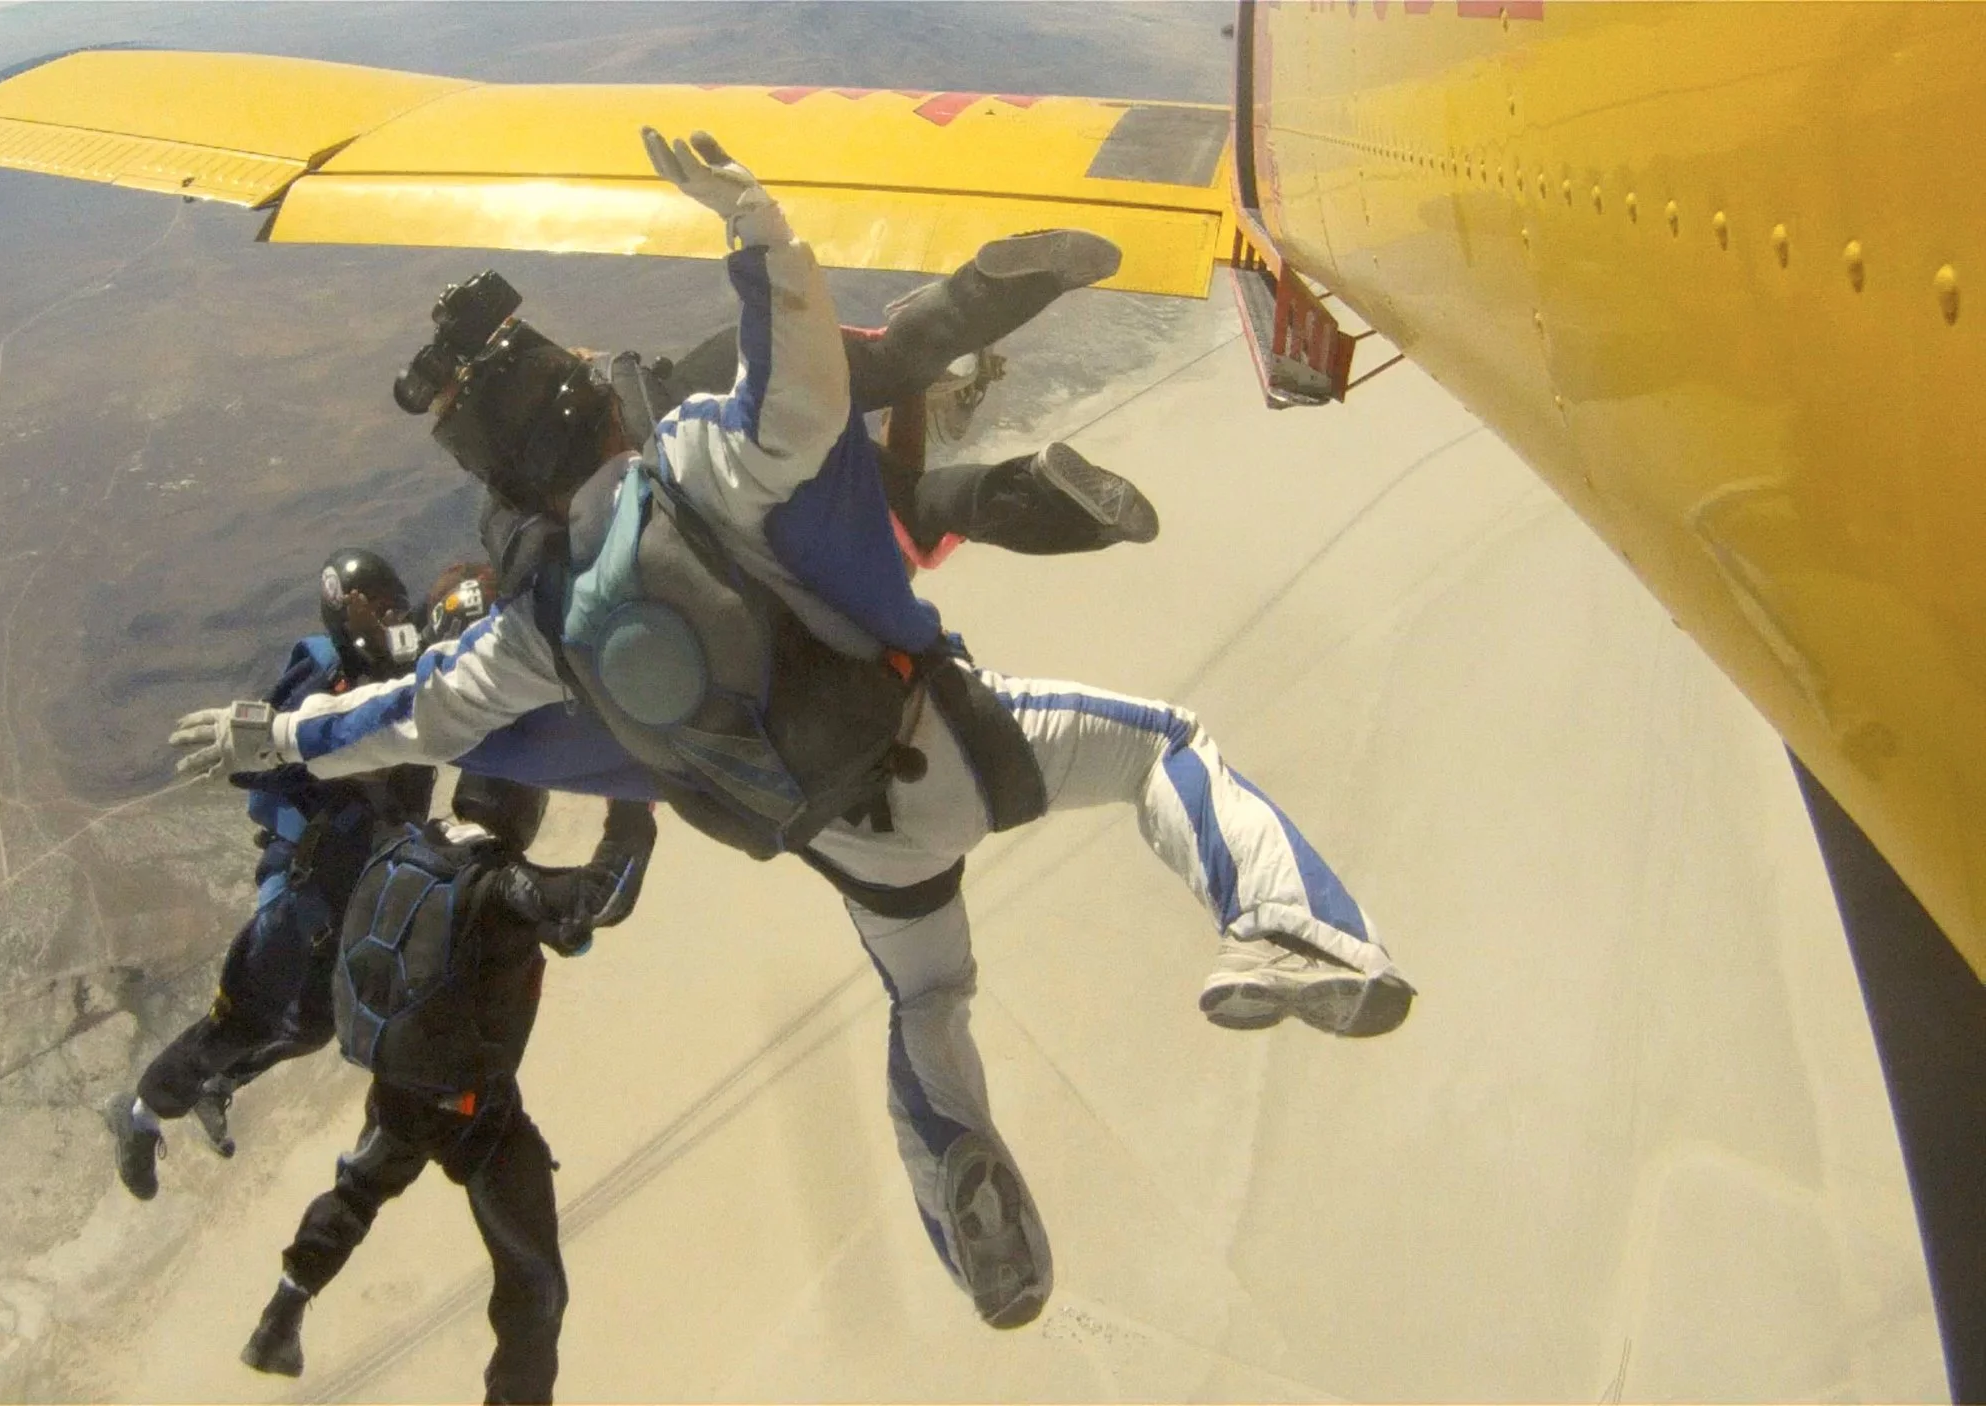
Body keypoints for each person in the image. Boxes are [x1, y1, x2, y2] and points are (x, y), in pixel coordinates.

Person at [171, 130, 1413, 1332]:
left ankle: (960, 1194)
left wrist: (269, 733)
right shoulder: (697, 460)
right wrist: (754, 222)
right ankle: (1284, 927)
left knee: (929, 993)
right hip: (947, 743)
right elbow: (806, 370)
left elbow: (401, 720)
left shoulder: (533, 632)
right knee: (1161, 747)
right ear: (584, 397)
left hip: (850, 844)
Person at [237, 776, 657, 1404]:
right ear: (525, 813)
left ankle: (280, 1317)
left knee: (356, 1192)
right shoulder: (500, 886)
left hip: (398, 1089)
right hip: (474, 1112)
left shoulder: (400, 848)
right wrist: (632, 810)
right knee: (533, 1281)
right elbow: (601, 900)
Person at [109, 548, 432, 1199]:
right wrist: (329, 759)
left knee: (316, 1025)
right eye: (380, 606)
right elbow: (256, 761)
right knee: (244, 1019)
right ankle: (141, 1115)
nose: (394, 618)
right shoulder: (326, 685)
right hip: (308, 883)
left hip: (360, 875)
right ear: (347, 614)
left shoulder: (410, 675)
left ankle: (218, 1083)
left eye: (397, 604)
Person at [638, 236, 1160, 563]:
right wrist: (915, 378)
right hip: (707, 376)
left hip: (722, 471)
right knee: (889, 361)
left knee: (925, 508)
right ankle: (993, 289)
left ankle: (1051, 495)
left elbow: (906, 500)